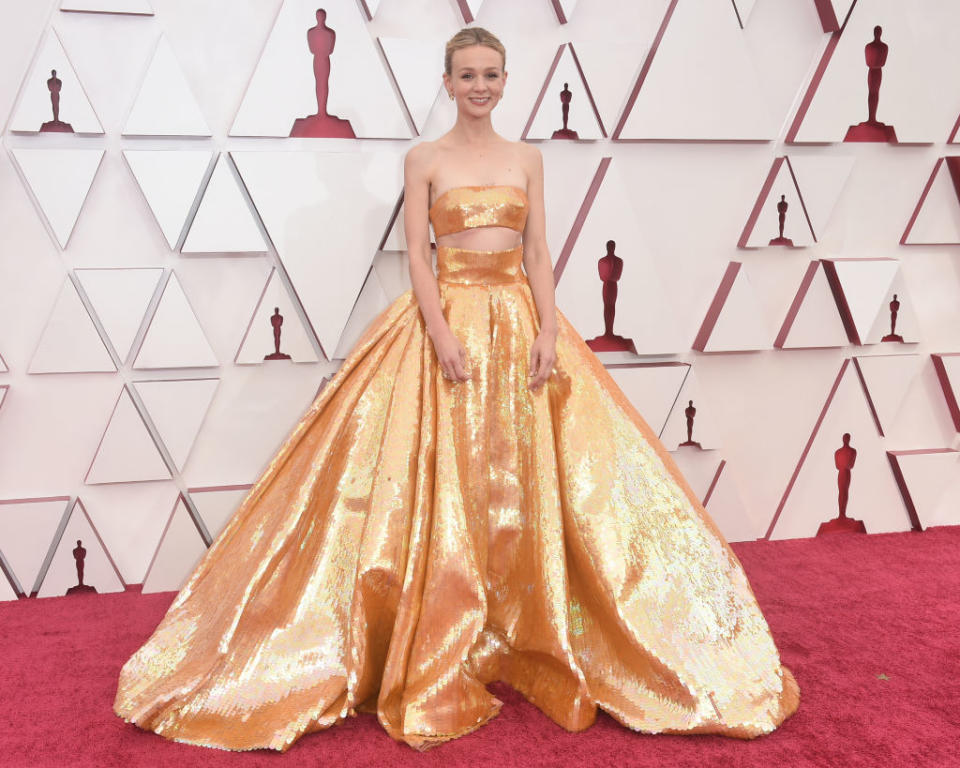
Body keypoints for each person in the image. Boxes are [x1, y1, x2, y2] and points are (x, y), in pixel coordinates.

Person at [113, 26, 799, 753]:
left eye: (491, 75)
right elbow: (416, 250)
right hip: (446, 323)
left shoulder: (527, 158)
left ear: (505, 82)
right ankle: (440, 632)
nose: (479, 85)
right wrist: (439, 331)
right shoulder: (425, 159)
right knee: (437, 483)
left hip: (520, 323)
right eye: (467, 74)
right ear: (447, 82)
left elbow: (537, 248)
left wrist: (546, 330)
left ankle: (529, 630)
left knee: (536, 481)